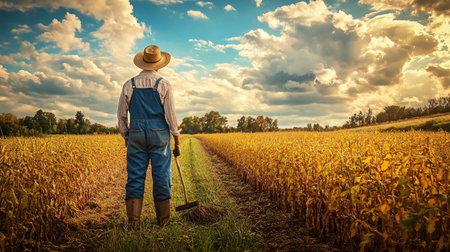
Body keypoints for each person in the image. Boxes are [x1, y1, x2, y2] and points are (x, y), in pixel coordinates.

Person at [117, 45, 181, 228]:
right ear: (158, 65)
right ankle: (163, 221)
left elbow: (121, 115)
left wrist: (127, 136)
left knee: (135, 175)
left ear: (142, 63)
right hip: (159, 134)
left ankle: (133, 223)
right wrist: (177, 140)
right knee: (161, 174)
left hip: (136, 133)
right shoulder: (164, 84)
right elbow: (171, 116)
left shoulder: (129, 84)